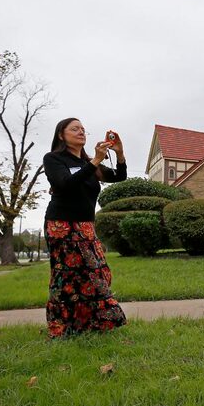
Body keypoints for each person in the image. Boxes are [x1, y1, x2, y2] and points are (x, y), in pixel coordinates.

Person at [43, 117, 128, 338]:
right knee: (67, 276)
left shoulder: (88, 162)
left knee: (97, 271)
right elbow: (65, 184)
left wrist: (118, 153)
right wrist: (95, 161)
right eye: (74, 129)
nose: (81, 132)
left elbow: (120, 176)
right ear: (61, 135)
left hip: (86, 226)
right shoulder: (53, 159)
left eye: (83, 129)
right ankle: (62, 327)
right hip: (61, 225)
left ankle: (93, 323)